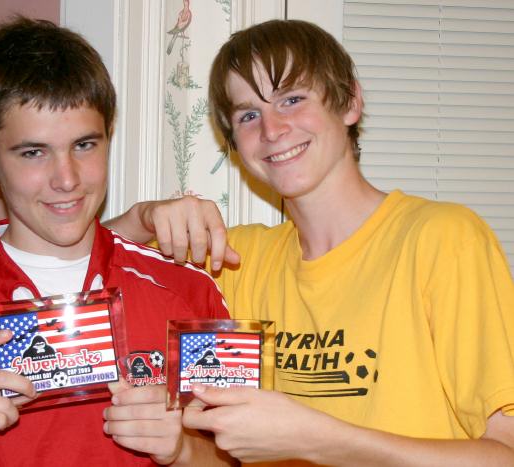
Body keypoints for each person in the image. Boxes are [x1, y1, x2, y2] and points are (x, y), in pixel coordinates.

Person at [113, 19, 514, 466]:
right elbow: (69, 259)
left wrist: (314, 438)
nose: (272, 129)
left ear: (349, 102)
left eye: (292, 99)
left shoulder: (443, 239)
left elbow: (504, 454)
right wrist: (140, 217)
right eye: (248, 114)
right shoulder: (234, 260)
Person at [0, 17, 232, 466]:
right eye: (33, 152)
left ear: (109, 134)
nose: (67, 179)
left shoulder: (189, 293)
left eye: (84, 145)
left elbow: (235, 456)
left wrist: (184, 451)